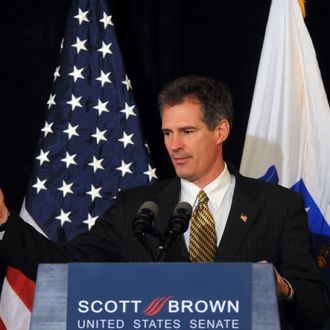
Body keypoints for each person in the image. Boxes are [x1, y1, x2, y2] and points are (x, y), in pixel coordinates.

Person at [0, 75, 329, 329]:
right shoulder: (137, 207)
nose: (174, 145)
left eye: (187, 131)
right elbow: (66, 266)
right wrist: (4, 223)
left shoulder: (278, 206)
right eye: (167, 133)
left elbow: (317, 307)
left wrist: (282, 287)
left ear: (220, 131)